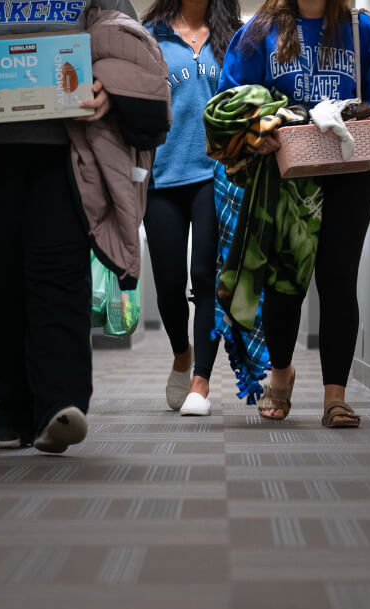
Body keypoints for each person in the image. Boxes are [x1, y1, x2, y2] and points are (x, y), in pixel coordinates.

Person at [0, 0, 137, 453]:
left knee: (58, 276)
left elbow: (124, 40)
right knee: (0, 283)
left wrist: (109, 87)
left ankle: (60, 404)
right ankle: (12, 411)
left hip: (65, 150)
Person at [216, 0, 370, 427]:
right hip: (287, 174)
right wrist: (256, 131)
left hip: (348, 170)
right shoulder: (261, 30)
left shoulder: (360, 28)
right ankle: (282, 376)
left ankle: (336, 396)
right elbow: (231, 94)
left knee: (338, 278)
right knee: (284, 284)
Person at [141, 0, 242, 417]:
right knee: (168, 285)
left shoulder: (234, 35)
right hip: (162, 175)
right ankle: (181, 353)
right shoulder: (151, 36)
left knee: (206, 276)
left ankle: (201, 380)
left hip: (213, 173)